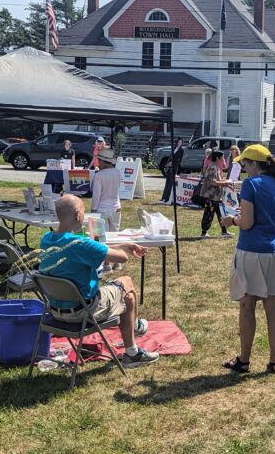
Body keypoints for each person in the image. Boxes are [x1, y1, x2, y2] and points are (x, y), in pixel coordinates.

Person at [39, 195, 160, 368]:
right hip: (84, 311)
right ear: (77, 215)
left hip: (56, 310)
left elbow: (95, 252)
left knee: (127, 297)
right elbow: (122, 258)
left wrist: (120, 245)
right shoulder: (81, 244)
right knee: (126, 283)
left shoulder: (46, 240)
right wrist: (124, 248)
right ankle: (133, 340)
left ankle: (134, 337)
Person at [219, 144, 275, 374]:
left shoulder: (251, 184)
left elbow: (247, 223)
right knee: (272, 306)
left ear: (254, 164)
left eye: (244, 164)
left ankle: (244, 360)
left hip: (252, 251)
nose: (242, 168)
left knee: (247, 304)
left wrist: (232, 220)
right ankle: (274, 361)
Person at [200, 150, 234, 238]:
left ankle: (224, 231)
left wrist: (227, 181)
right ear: (218, 158)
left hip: (217, 196)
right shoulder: (212, 167)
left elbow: (218, 180)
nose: (223, 159)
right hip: (212, 196)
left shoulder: (216, 167)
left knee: (221, 213)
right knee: (208, 214)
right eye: (222, 157)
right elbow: (212, 182)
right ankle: (203, 233)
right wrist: (224, 184)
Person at [91, 148, 122, 233]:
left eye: (99, 161)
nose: (98, 164)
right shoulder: (118, 172)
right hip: (116, 208)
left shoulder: (99, 176)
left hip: (102, 209)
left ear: (102, 161)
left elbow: (96, 196)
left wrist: (93, 210)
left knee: (103, 237)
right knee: (115, 236)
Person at [160, 138, 184, 205]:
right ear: (176, 142)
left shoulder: (181, 150)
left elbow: (179, 160)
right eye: (178, 142)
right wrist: (168, 163)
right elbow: (170, 157)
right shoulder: (173, 148)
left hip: (174, 168)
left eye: (181, 142)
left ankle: (168, 199)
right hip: (169, 167)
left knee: (171, 183)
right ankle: (163, 198)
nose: (179, 144)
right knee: (167, 183)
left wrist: (172, 163)